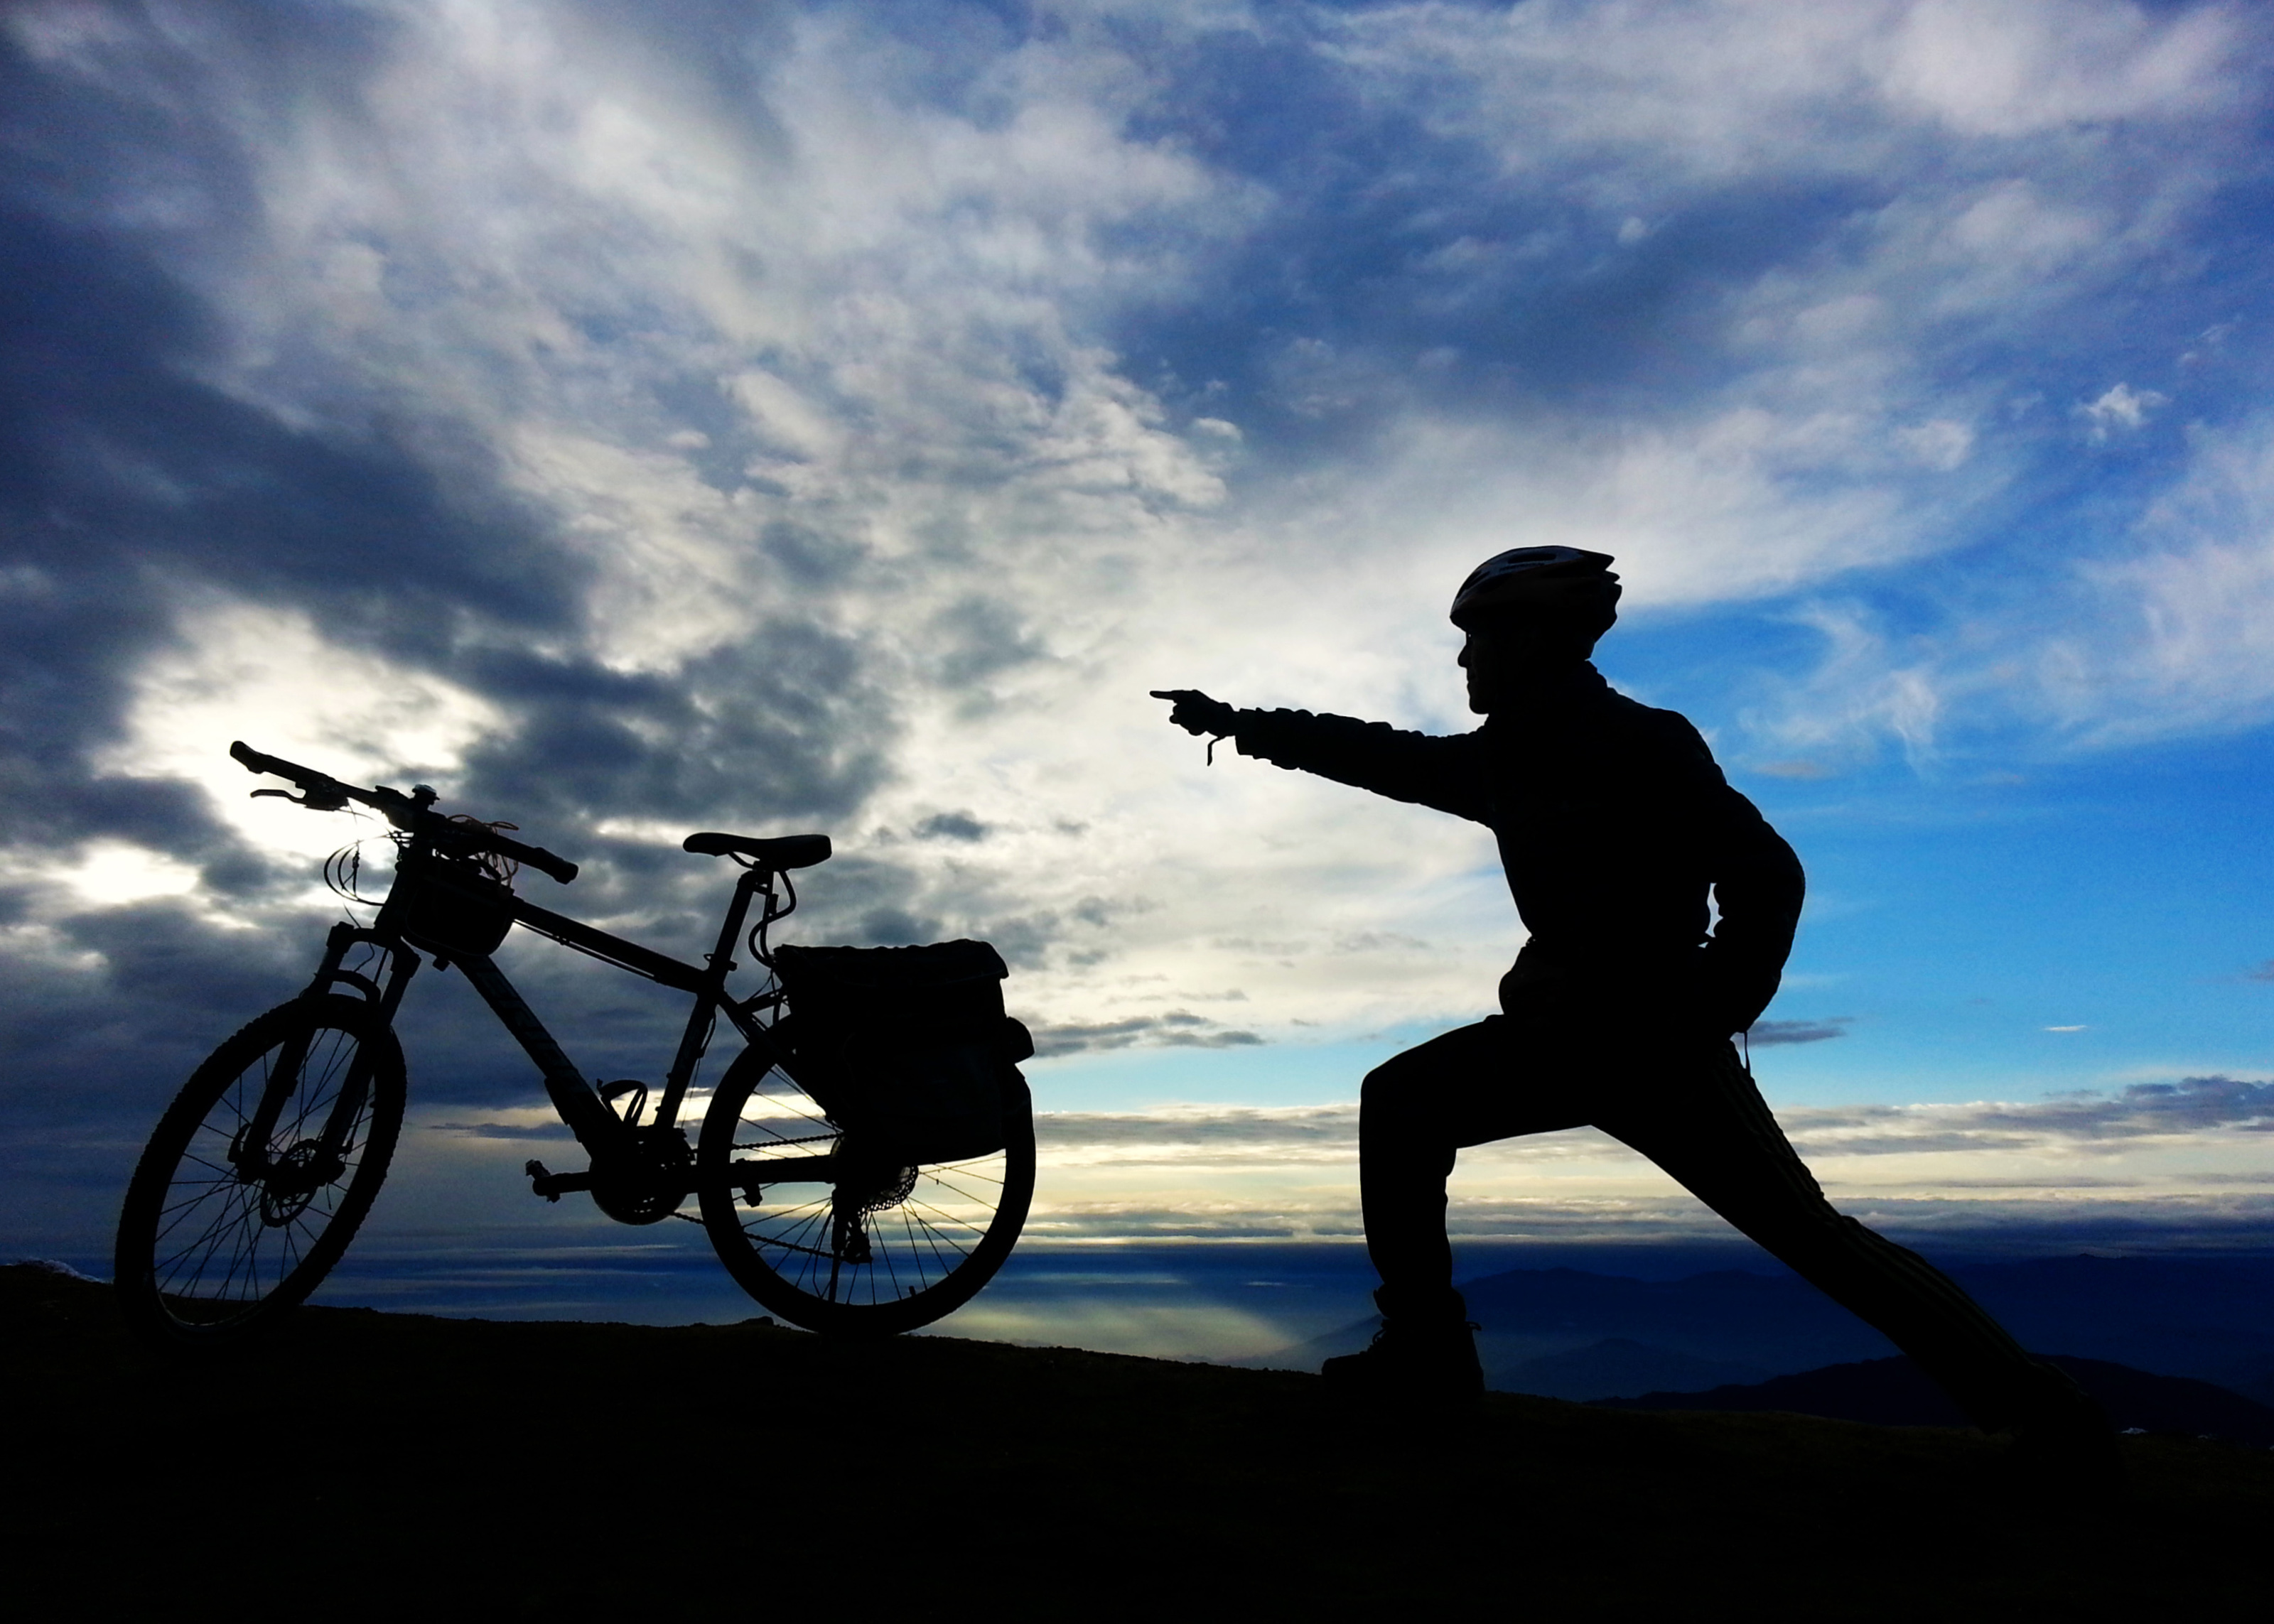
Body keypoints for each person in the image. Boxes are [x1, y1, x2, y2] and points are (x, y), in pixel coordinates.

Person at [1153, 546, 2118, 1482]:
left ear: (1529, 638)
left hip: (1657, 1044)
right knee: (1402, 1103)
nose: (1461, 659)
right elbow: (1381, 755)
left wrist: (1710, 1007)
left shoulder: (1643, 742)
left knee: (1813, 1237)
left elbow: (1765, 872)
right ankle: (1427, 1352)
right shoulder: (1508, 757)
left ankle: (2048, 1411)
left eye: (1476, 638)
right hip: (1566, 1037)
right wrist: (1239, 722)